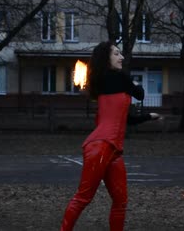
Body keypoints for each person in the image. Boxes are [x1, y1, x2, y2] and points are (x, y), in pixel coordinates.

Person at [60, 41, 161, 231]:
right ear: (106, 59)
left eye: (120, 53)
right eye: (116, 54)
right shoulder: (117, 78)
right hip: (101, 146)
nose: (121, 57)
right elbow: (139, 94)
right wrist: (133, 82)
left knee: (120, 200)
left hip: (113, 150)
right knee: (83, 197)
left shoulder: (103, 82)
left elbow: (126, 119)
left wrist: (148, 117)